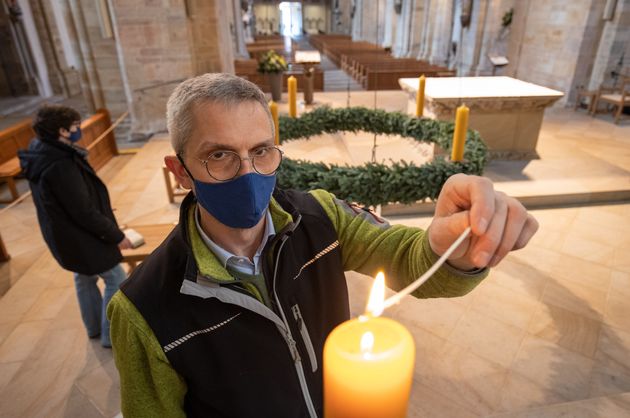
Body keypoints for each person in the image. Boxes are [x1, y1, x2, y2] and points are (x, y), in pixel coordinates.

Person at [107, 73, 538, 417]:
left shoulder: (320, 217)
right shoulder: (143, 308)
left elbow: (410, 260)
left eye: (261, 151)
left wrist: (453, 249)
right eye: (219, 155)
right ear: (180, 172)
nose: (247, 173)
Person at [18, 104, 132, 348]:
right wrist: (115, 235)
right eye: (75, 126)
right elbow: (83, 211)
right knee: (115, 278)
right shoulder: (60, 164)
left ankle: (93, 327)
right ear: (62, 131)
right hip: (82, 237)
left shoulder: (41, 151)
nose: (79, 129)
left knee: (84, 277)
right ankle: (110, 335)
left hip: (65, 236)